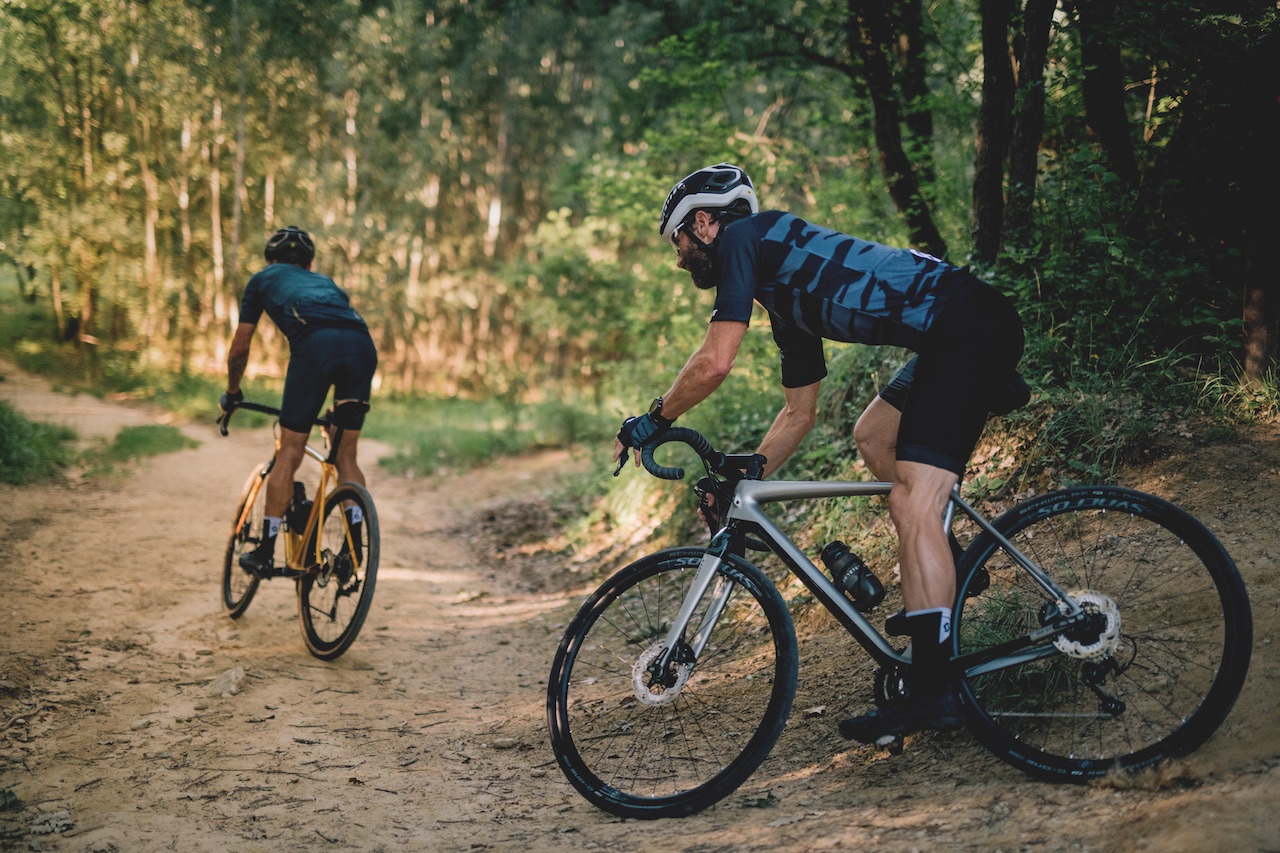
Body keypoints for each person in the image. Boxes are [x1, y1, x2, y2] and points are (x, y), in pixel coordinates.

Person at [612, 163, 1026, 743]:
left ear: (704, 224)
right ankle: (949, 574)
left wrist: (651, 422)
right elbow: (798, 413)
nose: (678, 257)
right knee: (875, 437)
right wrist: (751, 472)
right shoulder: (781, 287)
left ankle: (935, 691)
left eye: (678, 240)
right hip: (953, 333)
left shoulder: (743, 240)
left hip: (967, 329)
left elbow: (715, 361)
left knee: (912, 500)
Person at [219, 226, 378, 577]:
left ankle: (265, 550)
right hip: (362, 347)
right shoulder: (330, 285)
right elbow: (341, 328)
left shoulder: (262, 279)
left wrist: (232, 393)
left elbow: (240, 347)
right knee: (346, 454)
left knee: (290, 450)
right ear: (309, 264)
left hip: (315, 347)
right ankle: (354, 547)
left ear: (271, 259)